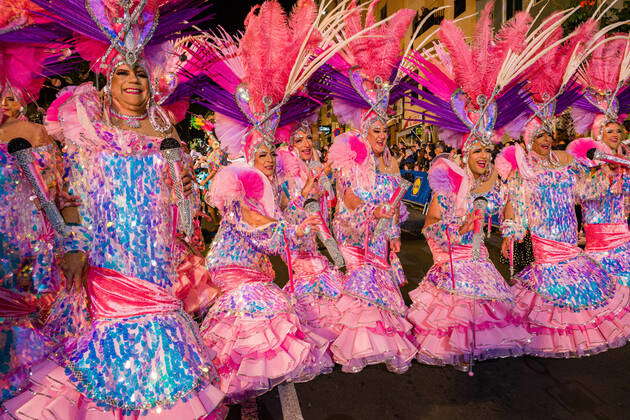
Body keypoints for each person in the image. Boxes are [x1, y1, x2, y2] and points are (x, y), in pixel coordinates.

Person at [2, 1, 228, 418]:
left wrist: (187, 219)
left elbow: (182, 198)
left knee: (163, 357)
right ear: (108, 76)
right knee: (111, 359)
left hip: (156, 262)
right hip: (107, 258)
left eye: (139, 72)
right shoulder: (88, 124)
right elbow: (72, 195)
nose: (132, 80)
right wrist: (73, 246)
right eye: (123, 71)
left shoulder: (165, 128)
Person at [188, 0, 361, 402]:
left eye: (271, 154)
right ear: (249, 155)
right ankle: (236, 384)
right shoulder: (237, 182)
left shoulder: (276, 183)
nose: (267, 160)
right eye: (261, 154)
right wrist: (290, 227)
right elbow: (255, 228)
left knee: (273, 315)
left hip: (258, 266)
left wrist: (306, 216)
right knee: (256, 318)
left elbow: (288, 220)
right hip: (233, 267)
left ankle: (249, 384)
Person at [402, 3, 534, 369]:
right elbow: (430, 225)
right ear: (464, 151)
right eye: (475, 149)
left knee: (491, 313)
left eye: (486, 149)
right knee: (456, 319)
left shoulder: (497, 179)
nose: (482, 155)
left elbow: (509, 211)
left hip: (478, 258)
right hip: (453, 261)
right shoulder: (448, 178)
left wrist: (510, 230)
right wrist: (456, 226)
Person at [311, 0, 418, 374]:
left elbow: (397, 203)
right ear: (363, 130)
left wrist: (393, 226)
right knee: (359, 284)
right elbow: (347, 197)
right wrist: (371, 212)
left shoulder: (390, 160)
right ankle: (355, 347)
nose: (381, 135)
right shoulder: (349, 153)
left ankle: (385, 343)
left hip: (378, 235)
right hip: (354, 232)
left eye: (384, 130)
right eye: (375, 130)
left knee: (381, 286)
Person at [568, 37, 629, 287]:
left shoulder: (625, 159)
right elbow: (581, 194)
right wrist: (603, 169)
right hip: (598, 231)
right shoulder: (586, 161)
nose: (615, 134)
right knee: (603, 285)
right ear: (598, 134)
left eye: (618, 130)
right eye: (609, 131)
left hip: (622, 230)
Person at [276, 121, 344, 342]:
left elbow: (321, 216)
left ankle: (317, 333)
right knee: (316, 278)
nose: (306, 143)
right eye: (299, 139)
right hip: (294, 245)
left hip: (311, 245)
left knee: (324, 280)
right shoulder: (285, 176)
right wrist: (304, 192)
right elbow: (284, 216)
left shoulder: (312, 169)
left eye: (308, 138)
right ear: (290, 146)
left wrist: (335, 251)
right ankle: (306, 334)